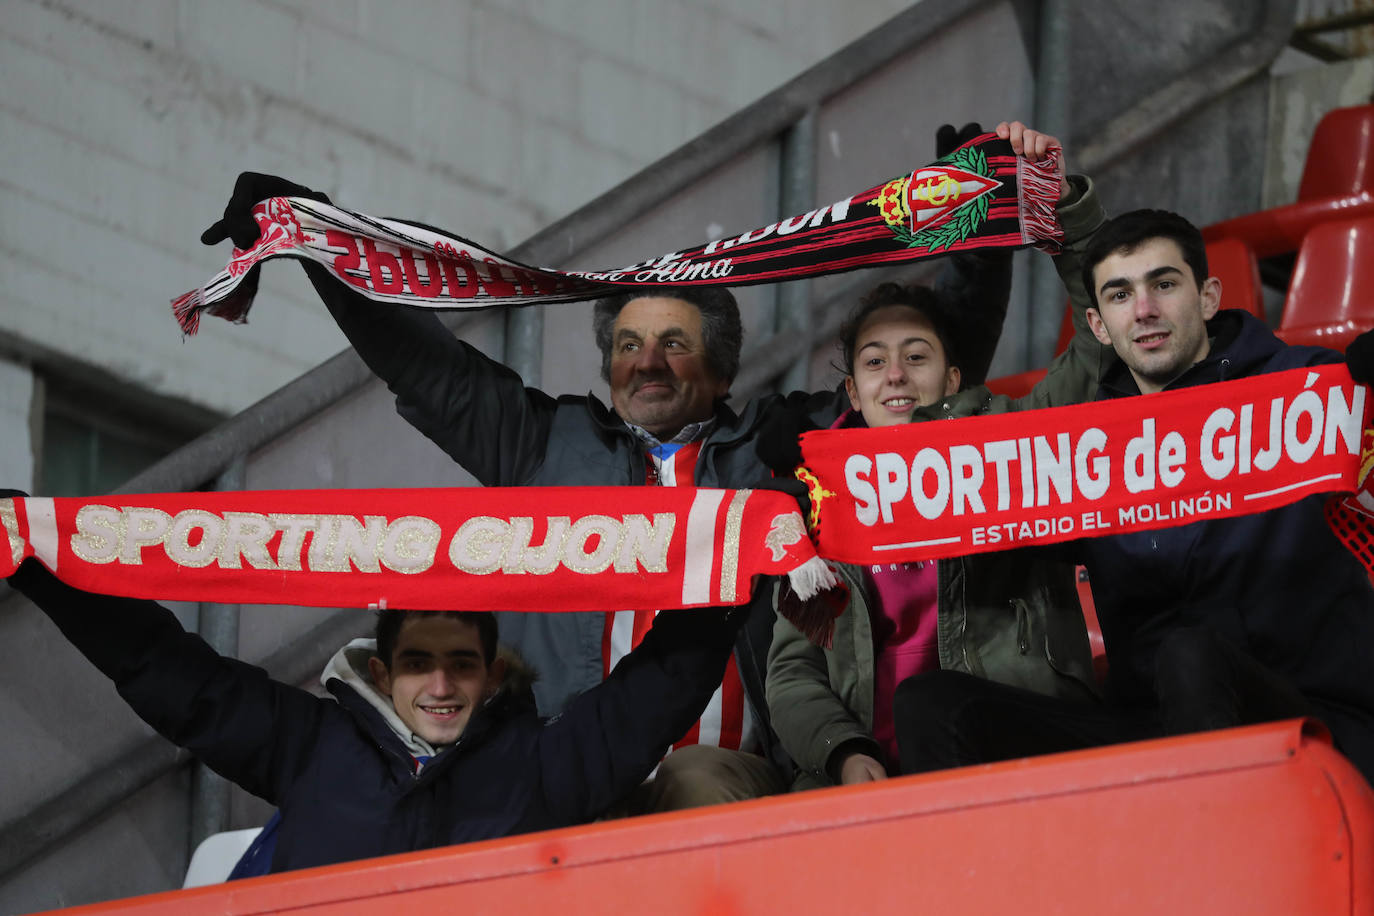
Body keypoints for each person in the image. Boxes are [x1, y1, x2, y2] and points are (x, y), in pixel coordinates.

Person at [197, 123, 1016, 810]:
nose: (647, 364)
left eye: (673, 344)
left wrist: (976, 237)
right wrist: (315, 235)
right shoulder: (542, 445)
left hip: (725, 777)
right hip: (562, 764)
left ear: (724, 371)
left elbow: (917, 388)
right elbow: (426, 368)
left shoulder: (786, 449)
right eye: (627, 346)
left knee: (689, 787)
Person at [893, 208, 1374, 784]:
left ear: (1208, 296)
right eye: (1120, 296)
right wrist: (820, 487)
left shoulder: (1305, 392)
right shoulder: (1085, 447)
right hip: (1153, 733)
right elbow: (950, 488)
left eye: (1164, 285)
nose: (1143, 310)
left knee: (1189, 653)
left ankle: (1215, 869)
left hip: (1313, 722)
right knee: (934, 704)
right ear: (1098, 326)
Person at [3, 552, 744, 874]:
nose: (442, 686)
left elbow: (663, 681)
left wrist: (751, 552)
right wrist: (37, 565)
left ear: (491, 676)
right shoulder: (309, 743)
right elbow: (166, 671)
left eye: (462, 664)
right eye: (420, 663)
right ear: (383, 673)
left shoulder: (542, 765)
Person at [764, 126, 1110, 787]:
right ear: (853, 392)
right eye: (875, 362)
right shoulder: (818, 505)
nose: (894, 375)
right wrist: (842, 750)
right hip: (874, 773)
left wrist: (1060, 202)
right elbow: (795, 667)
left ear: (954, 380)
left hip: (1012, 747)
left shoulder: (1016, 447)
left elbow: (1101, 341)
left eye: (916, 357)